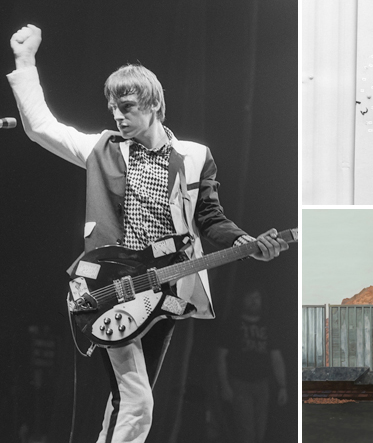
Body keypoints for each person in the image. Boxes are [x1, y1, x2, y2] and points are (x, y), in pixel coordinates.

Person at [8, 24, 289, 443]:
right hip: (113, 285)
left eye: (127, 105)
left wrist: (245, 244)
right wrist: (25, 61)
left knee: (128, 399)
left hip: (166, 290)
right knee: (136, 400)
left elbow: (210, 218)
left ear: (153, 104)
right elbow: (40, 127)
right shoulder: (101, 149)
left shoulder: (194, 156)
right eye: (113, 107)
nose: (118, 115)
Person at [216, 289, 287, 443]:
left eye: (257, 297)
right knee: (246, 431)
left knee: (260, 431)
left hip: (262, 384)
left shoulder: (268, 325)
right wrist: (225, 385)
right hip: (239, 383)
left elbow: (276, 358)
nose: (254, 301)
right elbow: (220, 357)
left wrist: (282, 386)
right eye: (250, 297)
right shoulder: (232, 325)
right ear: (243, 299)